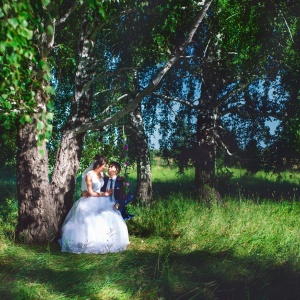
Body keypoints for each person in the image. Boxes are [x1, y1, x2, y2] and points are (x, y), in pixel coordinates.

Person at [59, 157, 130, 254]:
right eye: (105, 165)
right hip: (92, 199)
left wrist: (119, 177)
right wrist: (98, 193)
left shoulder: (101, 174)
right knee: (89, 221)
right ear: (98, 165)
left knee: (105, 218)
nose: (106, 168)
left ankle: (106, 240)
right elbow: (91, 192)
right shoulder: (89, 175)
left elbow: (112, 178)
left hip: (102, 199)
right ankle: (89, 241)